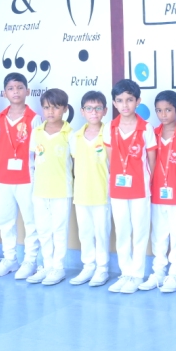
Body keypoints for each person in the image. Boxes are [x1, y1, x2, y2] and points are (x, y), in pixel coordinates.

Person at [105, 79, 158, 294]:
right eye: (120, 100)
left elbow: (152, 161)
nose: (125, 105)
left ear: (138, 101)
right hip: (118, 189)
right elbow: (110, 159)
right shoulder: (110, 127)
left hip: (140, 189)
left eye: (129, 100)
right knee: (122, 230)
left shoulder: (146, 128)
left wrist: (143, 180)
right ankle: (125, 273)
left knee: (140, 231)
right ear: (114, 103)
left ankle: (137, 274)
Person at [0, 72, 42, 279]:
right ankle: (10, 259)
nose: (16, 92)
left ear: (27, 91)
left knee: (31, 222)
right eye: (11, 88)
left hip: (26, 177)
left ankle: (30, 261)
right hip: (2, 178)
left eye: (20, 88)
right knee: (5, 222)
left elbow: (38, 150)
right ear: (4, 93)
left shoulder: (34, 118)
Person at [140, 90, 176, 292]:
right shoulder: (152, 133)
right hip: (156, 194)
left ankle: (175, 274)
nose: (163, 114)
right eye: (159, 110)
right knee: (158, 236)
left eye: (168, 110)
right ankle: (158, 272)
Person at [29, 89, 73, 286]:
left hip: (62, 190)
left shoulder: (70, 133)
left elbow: (76, 162)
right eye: (46, 107)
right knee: (43, 230)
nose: (50, 111)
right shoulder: (37, 132)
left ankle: (58, 267)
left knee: (59, 230)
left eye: (55, 107)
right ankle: (46, 266)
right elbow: (33, 161)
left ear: (65, 109)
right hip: (40, 190)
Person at [70, 90, 112, 287]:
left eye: (97, 108)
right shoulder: (75, 137)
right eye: (89, 108)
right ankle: (88, 266)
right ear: (82, 111)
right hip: (81, 194)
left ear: (105, 111)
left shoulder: (108, 134)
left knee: (101, 233)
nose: (93, 112)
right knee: (85, 233)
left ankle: (102, 268)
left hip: (102, 193)